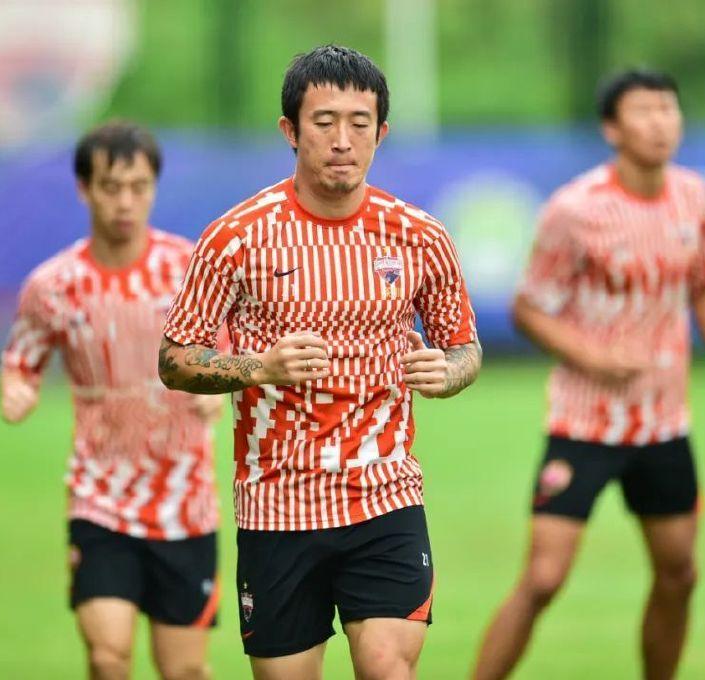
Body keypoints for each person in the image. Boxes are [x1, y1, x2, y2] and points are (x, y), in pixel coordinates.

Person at [158, 45, 482, 680]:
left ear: (381, 133)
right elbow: (174, 359)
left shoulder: (420, 237)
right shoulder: (236, 237)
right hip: (277, 504)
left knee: (388, 666)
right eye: (324, 122)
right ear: (290, 130)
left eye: (360, 123)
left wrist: (448, 374)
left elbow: (464, 346)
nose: (342, 140)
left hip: (384, 496)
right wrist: (259, 368)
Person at [471, 69, 705, 680]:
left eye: (668, 108)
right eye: (644, 111)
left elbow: (703, 288)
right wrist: (594, 357)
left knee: (680, 573)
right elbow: (528, 309)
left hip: (664, 422)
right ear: (612, 128)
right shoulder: (575, 210)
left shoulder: (693, 195)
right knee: (544, 578)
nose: (660, 122)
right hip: (584, 422)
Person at [1, 121, 223, 680]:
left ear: (154, 188)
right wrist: (18, 389)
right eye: (111, 187)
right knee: (108, 655)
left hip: (184, 500)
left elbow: (226, 353)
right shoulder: (54, 285)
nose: (126, 202)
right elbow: (22, 358)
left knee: (185, 670)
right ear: (84, 189)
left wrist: (219, 391)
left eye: (139, 187)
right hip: (100, 498)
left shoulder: (188, 269)